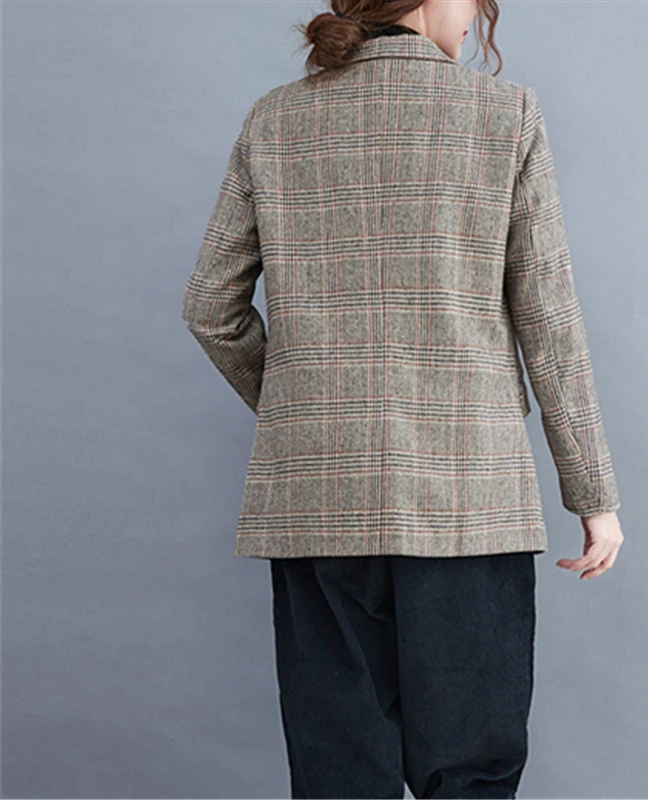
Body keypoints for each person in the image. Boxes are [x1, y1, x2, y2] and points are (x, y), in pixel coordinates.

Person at [181, 1, 625, 797]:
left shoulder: (276, 118)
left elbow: (211, 307)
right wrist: (593, 496)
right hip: (470, 499)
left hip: (319, 497)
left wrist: (303, 412)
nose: (478, 16)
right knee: (472, 775)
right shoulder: (504, 114)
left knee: (341, 775)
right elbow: (549, 324)